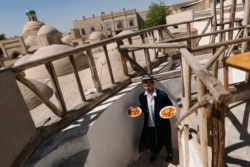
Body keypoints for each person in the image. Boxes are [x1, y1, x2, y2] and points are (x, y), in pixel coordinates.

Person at [138, 75, 173, 162]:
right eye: (144, 86)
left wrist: (166, 114)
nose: (147, 88)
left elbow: (170, 107)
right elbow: (143, 107)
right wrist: (138, 110)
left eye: (149, 85)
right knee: (150, 141)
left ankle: (170, 153)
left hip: (163, 123)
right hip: (149, 123)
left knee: (166, 139)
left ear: (153, 84)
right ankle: (155, 153)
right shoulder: (142, 96)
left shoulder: (162, 95)